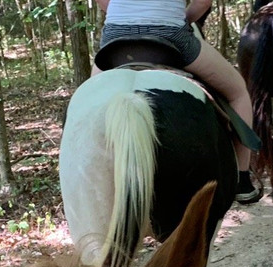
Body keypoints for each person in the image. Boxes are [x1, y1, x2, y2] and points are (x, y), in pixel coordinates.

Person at [95, 0, 262, 204]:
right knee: (238, 92)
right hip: (170, 34)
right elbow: (204, 2)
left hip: (116, 36)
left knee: (85, 99)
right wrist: (183, 19)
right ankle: (242, 179)